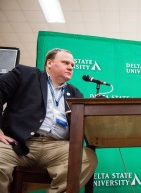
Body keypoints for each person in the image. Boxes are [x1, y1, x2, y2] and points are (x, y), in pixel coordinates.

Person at [0, 48, 98, 192]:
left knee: (88, 158)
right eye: (65, 62)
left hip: (57, 147)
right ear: (49, 63)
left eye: (72, 65)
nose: (71, 67)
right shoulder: (25, 75)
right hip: (18, 144)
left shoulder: (76, 93)